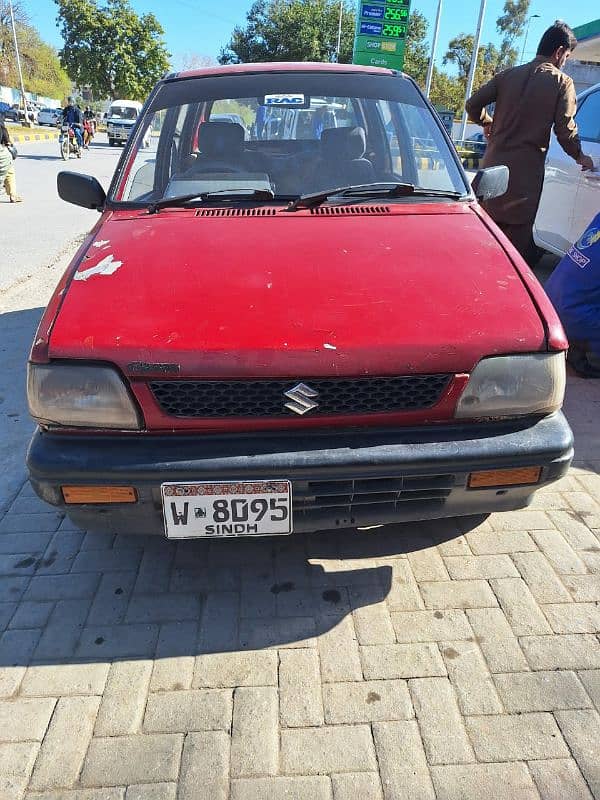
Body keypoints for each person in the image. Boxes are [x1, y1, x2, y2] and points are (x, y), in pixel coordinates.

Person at [465, 20, 594, 264]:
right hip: (522, 184)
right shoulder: (561, 82)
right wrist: (580, 156)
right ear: (559, 52)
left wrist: (486, 122)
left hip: (490, 175)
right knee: (512, 258)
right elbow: (565, 129)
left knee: (483, 246)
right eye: (566, 56)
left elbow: (472, 105)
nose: (565, 61)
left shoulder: (507, 75)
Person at [0, 120, 22, 203]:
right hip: (2, 154)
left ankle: (13, 195)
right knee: (9, 171)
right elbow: (7, 139)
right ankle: (13, 195)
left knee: (10, 170)